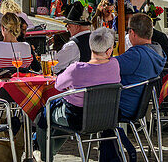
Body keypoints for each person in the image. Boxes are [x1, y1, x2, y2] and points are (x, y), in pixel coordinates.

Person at [35, 27, 121, 162]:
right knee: (59, 114)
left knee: (42, 115)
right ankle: (49, 152)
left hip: (78, 119)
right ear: (109, 50)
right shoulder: (115, 65)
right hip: (106, 117)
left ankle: (45, 156)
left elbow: (58, 85)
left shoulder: (76, 69)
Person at [100, 13, 166, 162]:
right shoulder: (158, 51)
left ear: (132, 33)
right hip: (138, 105)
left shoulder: (136, 55)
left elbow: (106, 66)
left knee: (85, 107)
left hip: (121, 106)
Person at [54, 2, 93, 73]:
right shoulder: (97, 39)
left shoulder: (72, 45)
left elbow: (54, 67)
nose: (67, 29)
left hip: (78, 82)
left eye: (69, 26)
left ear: (77, 26)